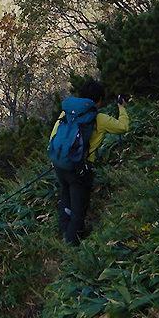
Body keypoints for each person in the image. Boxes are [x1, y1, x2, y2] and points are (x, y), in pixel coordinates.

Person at [49, 78, 129, 246]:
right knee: (79, 207)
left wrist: (55, 158)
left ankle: (64, 231)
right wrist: (122, 108)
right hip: (79, 168)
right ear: (98, 100)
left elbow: (54, 136)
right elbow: (123, 127)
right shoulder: (98, 118)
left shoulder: (66, 113)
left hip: (60, 165)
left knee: (66, 195)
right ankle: (73, 243)